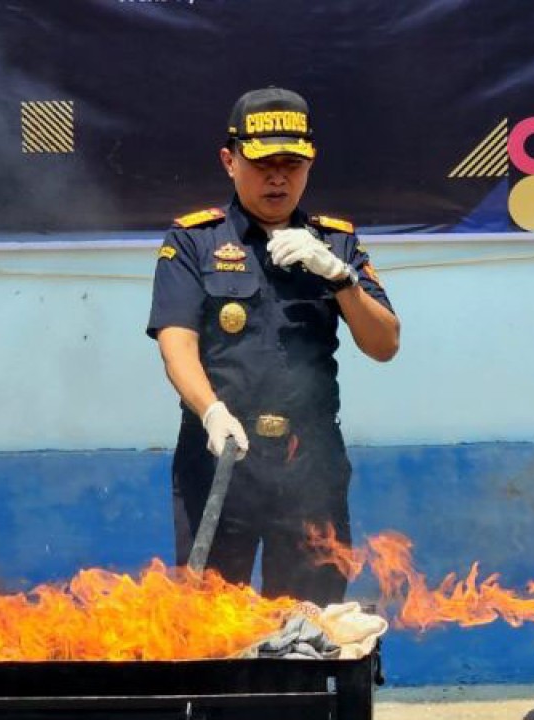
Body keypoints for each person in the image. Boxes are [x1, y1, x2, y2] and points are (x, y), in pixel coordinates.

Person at [146, 86, 399, 605]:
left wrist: (340, 278)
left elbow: (384, 343)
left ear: (310, 164)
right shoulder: (194, 241)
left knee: (310, 621)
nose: (278, 178)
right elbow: (176, 344)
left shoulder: (335, 243)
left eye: (292, 165)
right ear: (229, 161)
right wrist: (210, 411)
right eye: (263, 164)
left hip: (310, 463)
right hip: (221, 455)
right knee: (213, 621)